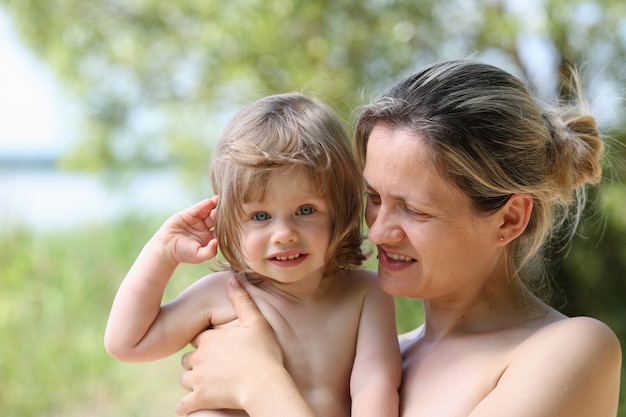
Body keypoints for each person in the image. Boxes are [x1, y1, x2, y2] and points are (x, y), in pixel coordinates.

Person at [175, 60, 622, 417]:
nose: (378, 230)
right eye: (373, 198)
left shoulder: (568, 352)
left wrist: (261, 385)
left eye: (413, 209)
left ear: (509, 220)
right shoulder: (365, 365)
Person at [104, 92, 402, 417]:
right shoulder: (222, 294)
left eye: (305, 210)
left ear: (340, 210)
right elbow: (127, 343)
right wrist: (162, 252)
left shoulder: (363, 293)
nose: (284, 233)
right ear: (229, 221)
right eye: (260, 216)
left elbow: (376, 384)